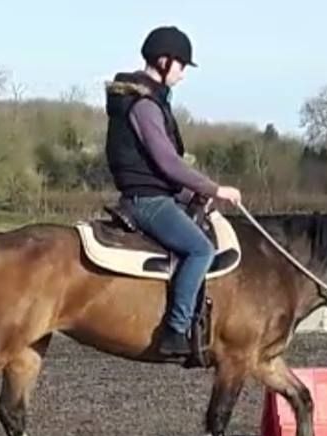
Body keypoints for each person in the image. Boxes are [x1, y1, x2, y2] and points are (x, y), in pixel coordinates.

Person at [104, 26, 242, 356]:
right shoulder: (145, 106)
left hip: (156, 194)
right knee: (200, 249)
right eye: (181, 67)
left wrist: (192, 196)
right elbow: (167, 162)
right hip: (147, 202)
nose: (182, 75)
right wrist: (214, 188)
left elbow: (157, 168)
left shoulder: (147, 100)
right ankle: (176, 330)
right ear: (164, 62)